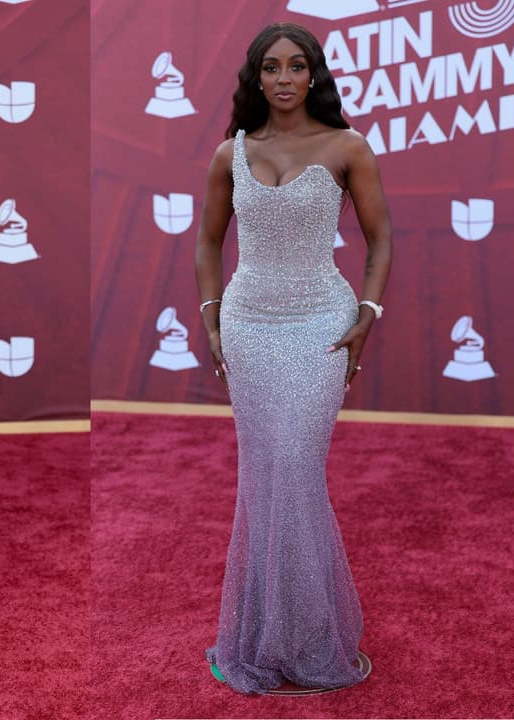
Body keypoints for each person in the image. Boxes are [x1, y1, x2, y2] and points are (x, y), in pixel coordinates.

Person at [193, 23, 393, 694]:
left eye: (296, 66)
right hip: (249, 326)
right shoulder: (231, 153)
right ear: (255, 78)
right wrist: (211, 316)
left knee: (293, 464)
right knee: (264, 476)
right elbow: (207, 243)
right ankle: (264, 637)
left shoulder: (347, 147)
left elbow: (381, 237)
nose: (283, 78)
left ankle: (305, 639)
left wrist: (367, 314)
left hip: (320, 326)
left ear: (314, 76)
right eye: (270, 67)